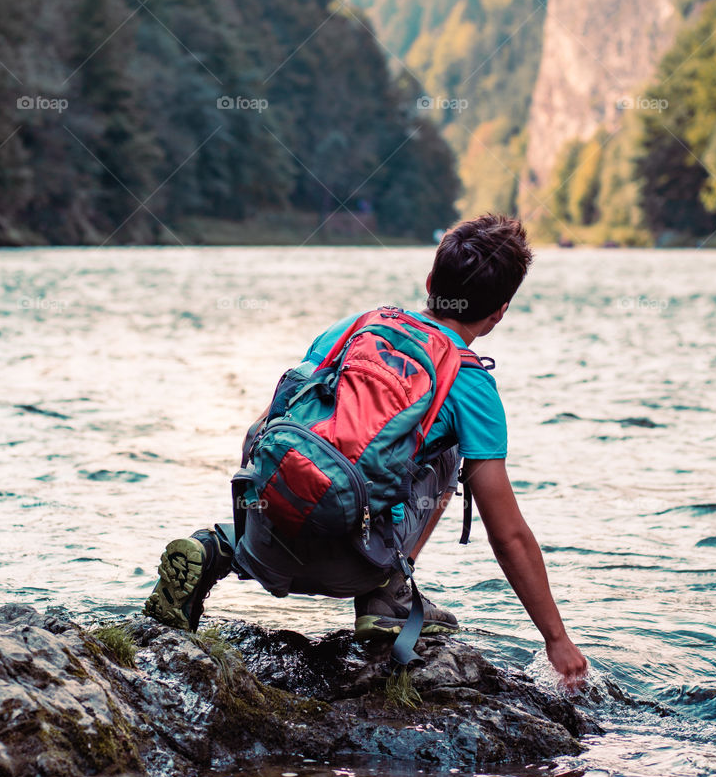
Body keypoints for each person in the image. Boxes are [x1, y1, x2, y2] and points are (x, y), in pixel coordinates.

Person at [144, 214, 588, 689]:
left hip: (265, 546)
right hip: (355, 567)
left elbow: (263, 428)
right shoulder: (470, 382)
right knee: (447, 446)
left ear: (430, 282)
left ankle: (217, 548)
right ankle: (388, 596)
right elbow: (509, 537)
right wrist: (556, 639)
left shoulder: (354, 328)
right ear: (500, 311)